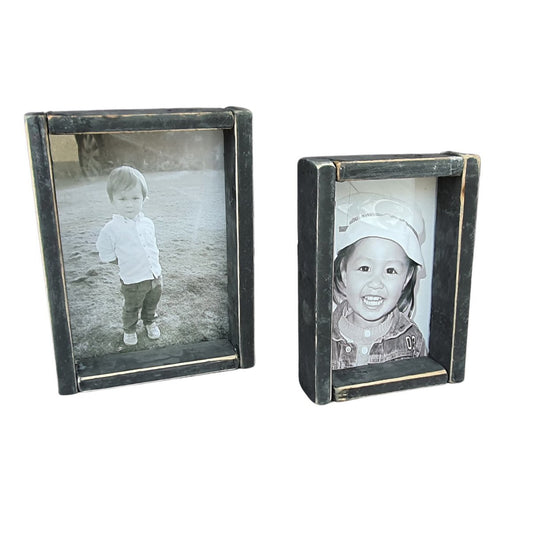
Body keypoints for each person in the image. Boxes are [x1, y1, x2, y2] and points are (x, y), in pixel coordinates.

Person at [332, 192, 427, 370]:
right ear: (344, 272)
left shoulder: (412, 340)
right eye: (364, 268)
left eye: (390, 271)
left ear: (406, 279)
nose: (376, 283)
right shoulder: (320, 336)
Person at [96, 166, 162, 346]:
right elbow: (105, 251)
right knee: (131, 307)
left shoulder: (148, 223)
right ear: (112, 200)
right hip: (132, 280)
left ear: (144, 198)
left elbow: (151, 247)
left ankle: (150, 322)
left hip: (155, 276)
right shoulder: (111, 229)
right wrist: (121, 261)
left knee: (151, 303)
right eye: (122, 198)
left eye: (135, 198)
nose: (129, 204)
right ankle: (130, 329)